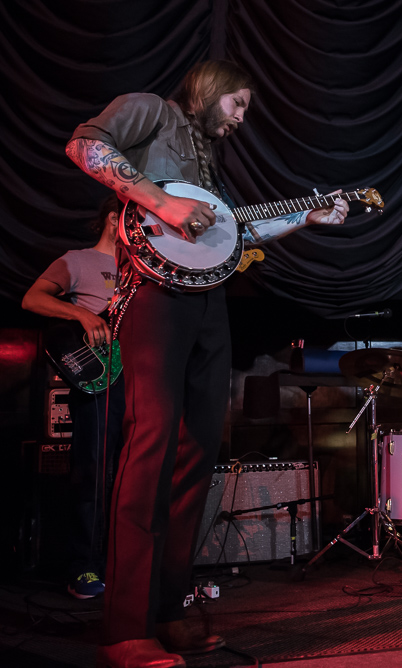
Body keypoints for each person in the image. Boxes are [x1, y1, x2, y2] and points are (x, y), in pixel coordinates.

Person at [65, 60, 349, 668]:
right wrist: (158, 201)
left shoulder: (206, 162)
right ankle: (124, 627)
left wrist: (307, 216)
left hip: (207, 303)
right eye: (239, 104)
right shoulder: (152, 110)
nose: (242, 119)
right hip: (153, 298)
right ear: (212, 90)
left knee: (195, 454)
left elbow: (231, 233)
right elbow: (84, 144)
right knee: (151, 446)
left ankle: (166, 610)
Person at [22, 194, 125, 600]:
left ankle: (123, 563)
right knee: (93, 471)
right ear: (114, 218)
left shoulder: (143, 268)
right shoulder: (78, 260)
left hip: (141, 375)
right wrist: (81, 313)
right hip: (101, 378)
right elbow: (33, 298)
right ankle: (83, 566)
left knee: (134, 472)